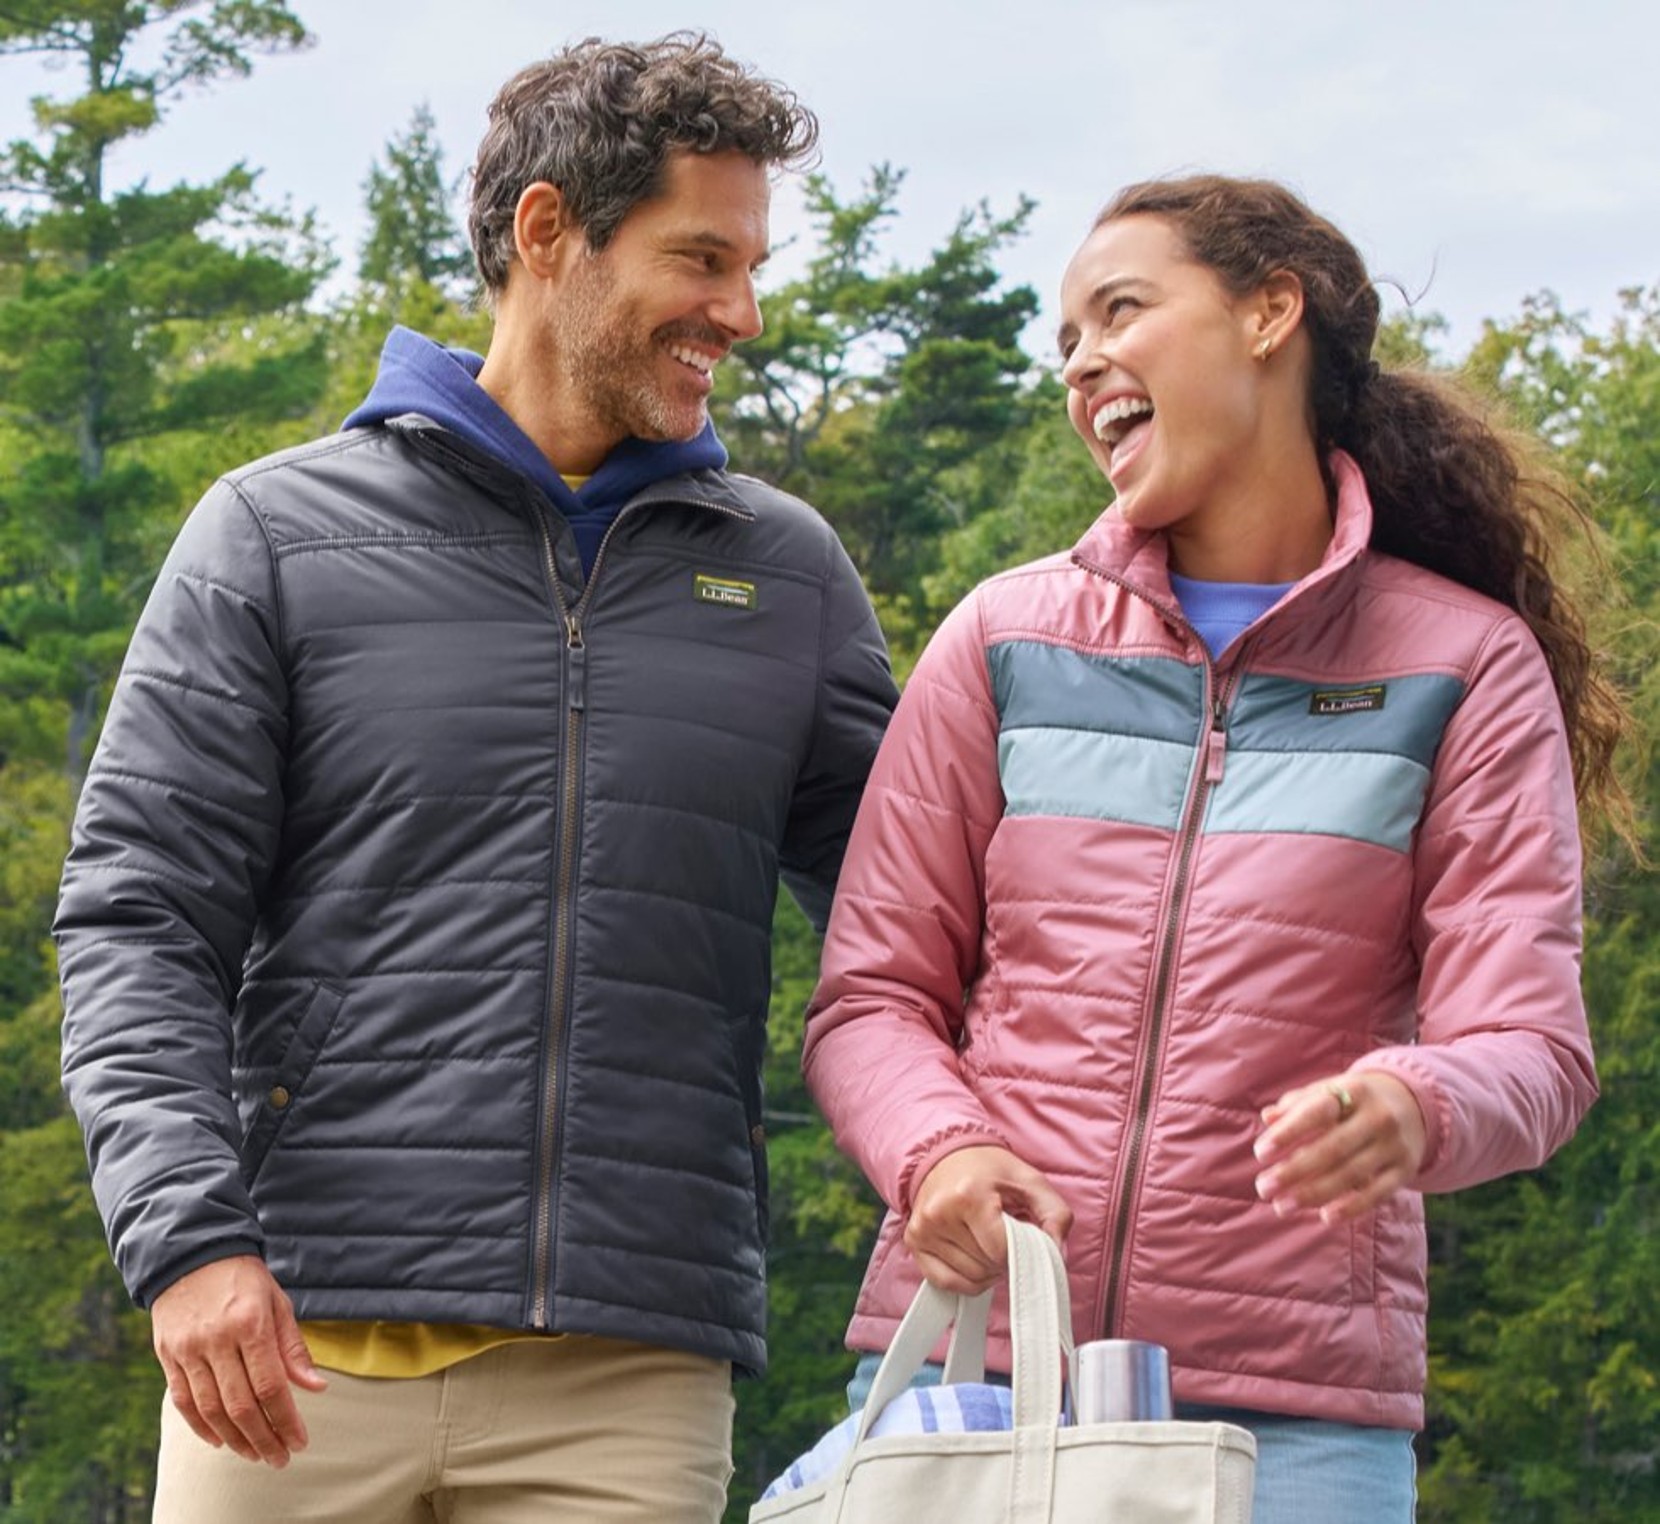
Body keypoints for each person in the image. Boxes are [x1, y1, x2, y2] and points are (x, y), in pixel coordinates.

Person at [56, 33, 896, 1524]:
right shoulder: (272, 536)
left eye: (753, 265)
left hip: (630, 1378)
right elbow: (139, 922)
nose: (741, 312)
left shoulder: (787, 576)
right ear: (547, 232)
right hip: (293, 1362)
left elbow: (927, 920)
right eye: (701, 257)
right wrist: (186, 1243)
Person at [802, 174, 1630, 1521]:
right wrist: (937, 1152)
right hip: (984, 1383)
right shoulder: (1005, 643)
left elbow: (1532, 1049)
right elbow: (870, 999)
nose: (1082, 364)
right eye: (1064, 340)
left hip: (1299, 1428)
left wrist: (1417, 1103)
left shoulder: (1464, 670)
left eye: (1119, 310)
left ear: (1270, 312)